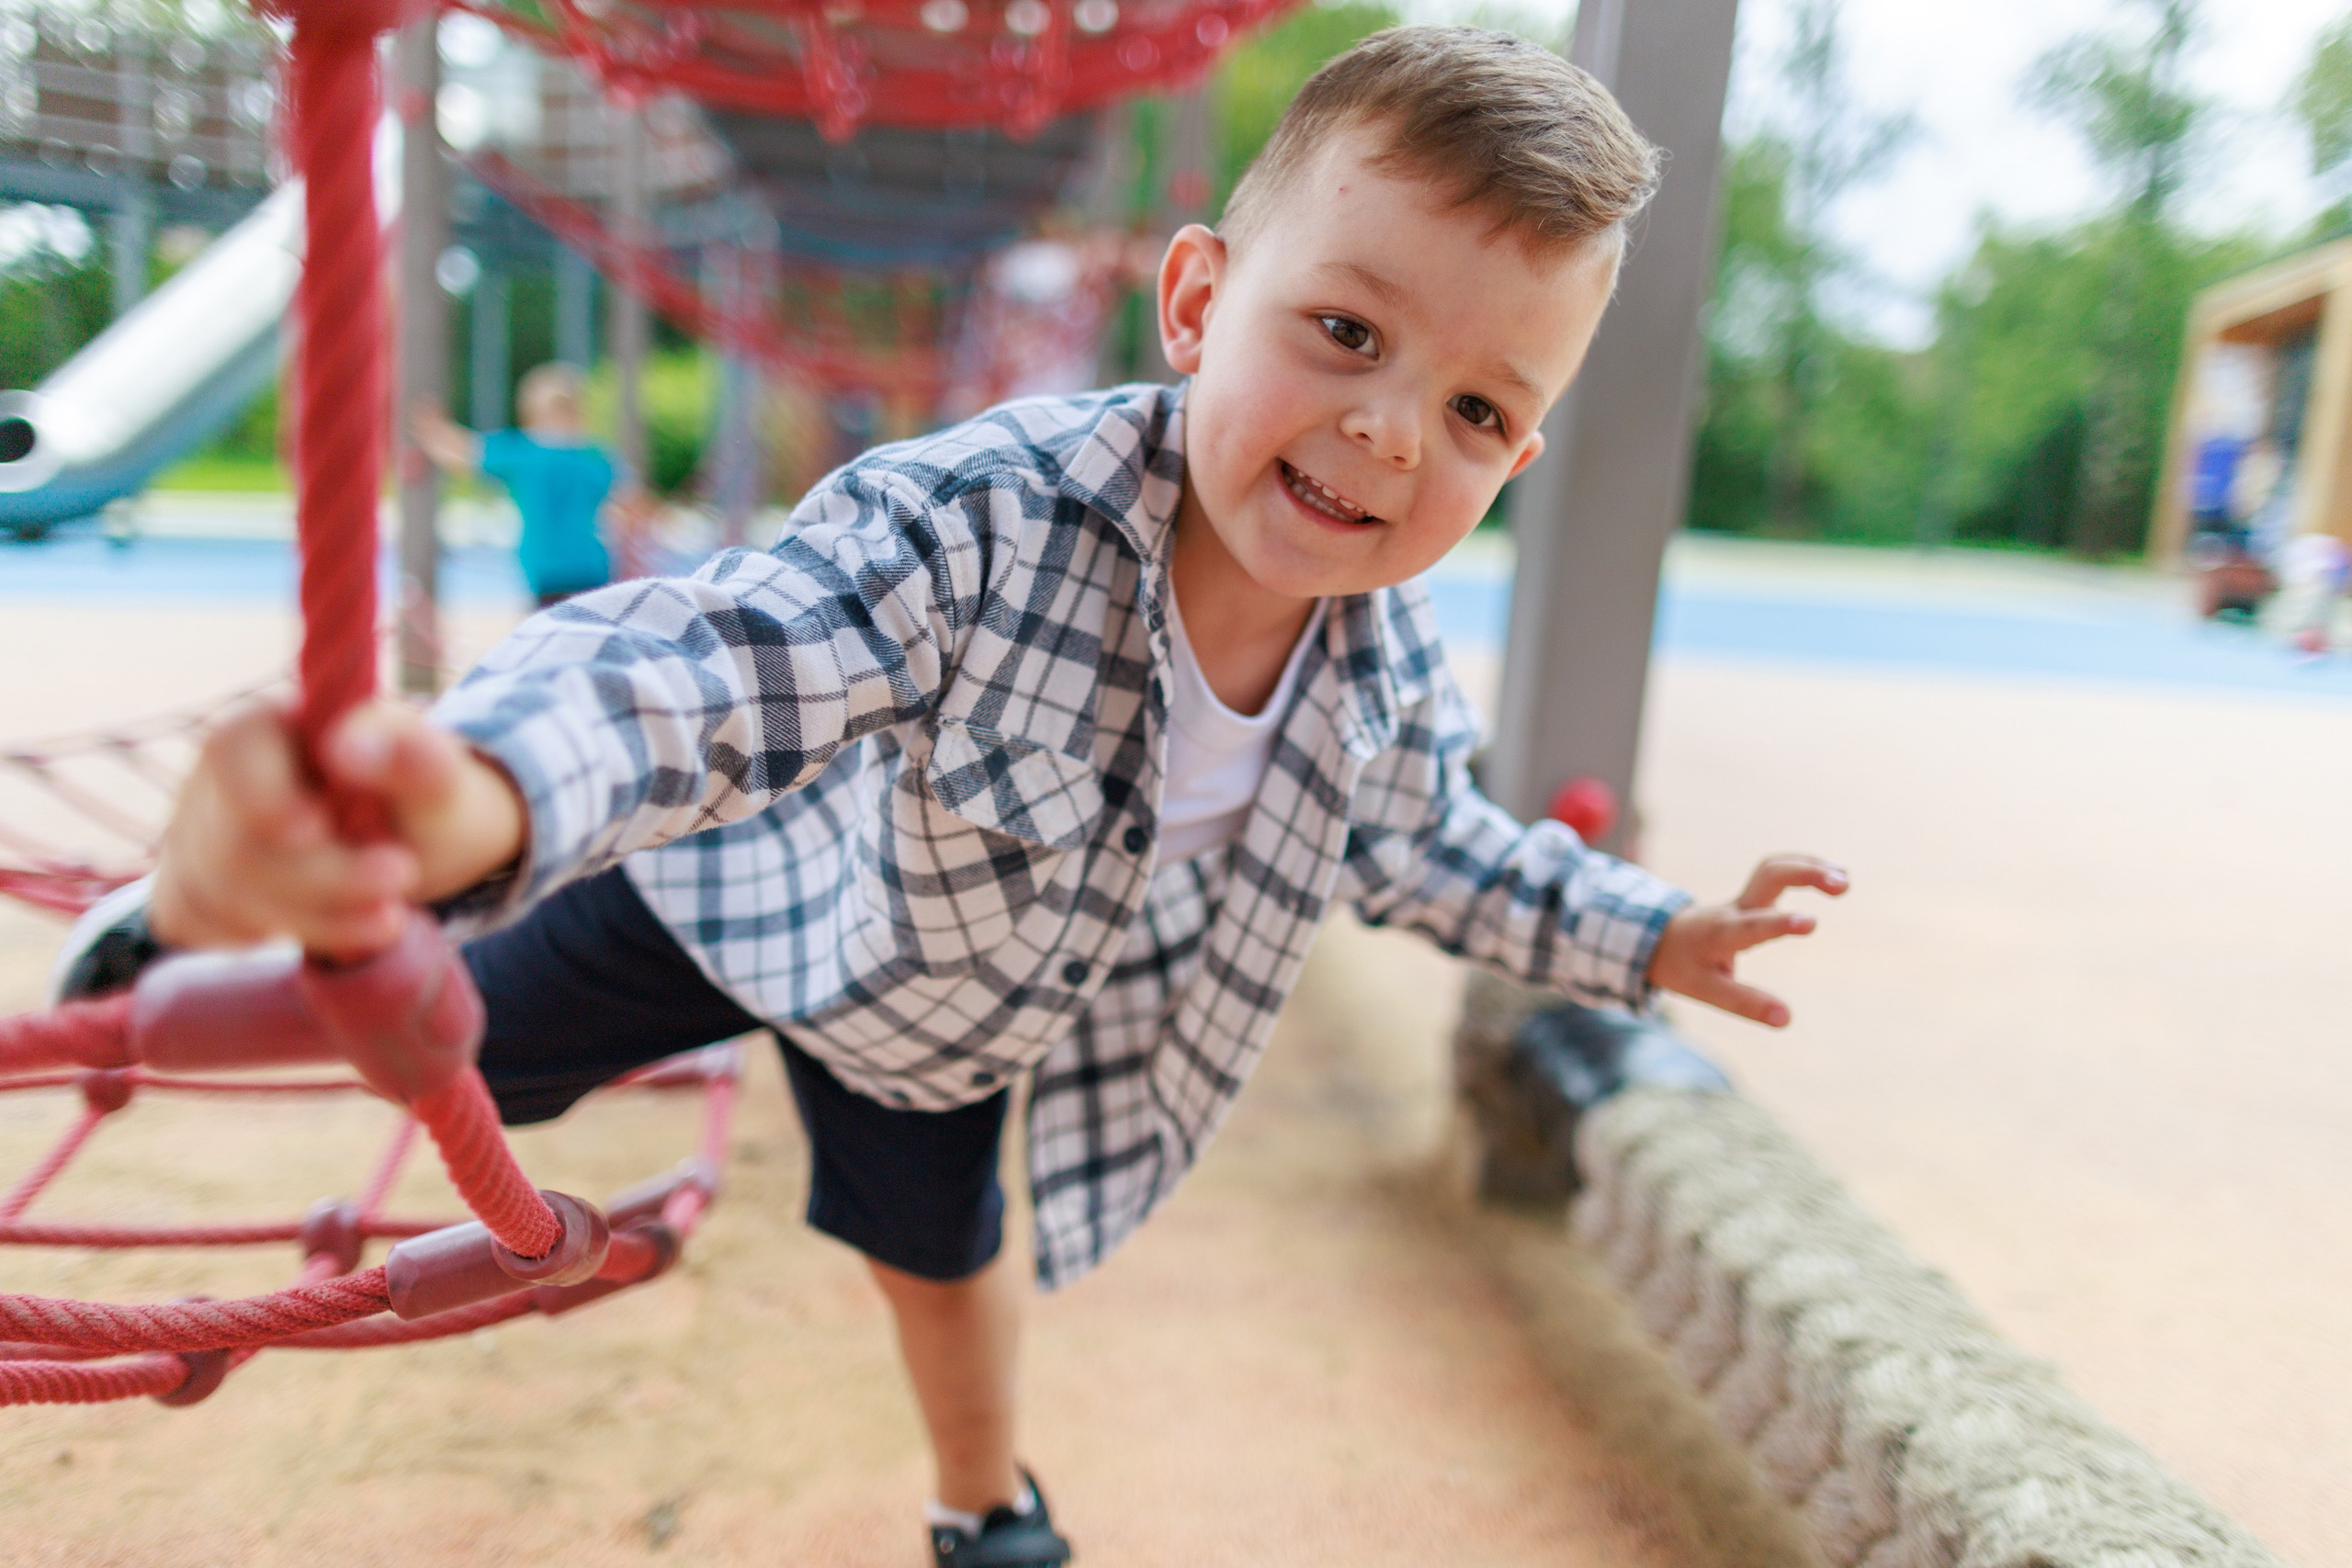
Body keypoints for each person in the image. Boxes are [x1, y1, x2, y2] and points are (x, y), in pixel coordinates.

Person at [62, 28, 1847, 1566]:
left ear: (1516, 459)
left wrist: (1649, 930)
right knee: (433, 1025)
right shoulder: (991, 515)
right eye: (1343, 331)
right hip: (732, 879)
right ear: (1198, 301)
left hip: (931, 1009)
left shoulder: (1374, 671)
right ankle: (161, 956)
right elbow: (726, 654)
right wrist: (465, 788)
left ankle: (985, 1508)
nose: (1390, 430)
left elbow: (1430, 844)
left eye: (1472, 408)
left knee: (938, 1256)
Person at [413, 362, 620, 607]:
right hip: (592, 566)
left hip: (546, 569)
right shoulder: (595, 458)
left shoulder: (526, 453)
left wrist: (429, 428)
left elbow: (463, 454)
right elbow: (630, 502)